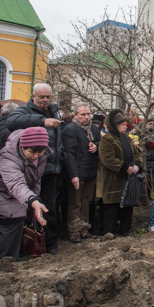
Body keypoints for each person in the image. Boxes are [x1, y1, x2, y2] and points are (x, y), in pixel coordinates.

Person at [0, 128, 50, 262]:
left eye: (40, 152)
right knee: (13, 216)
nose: (36, 156)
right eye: (32, 152)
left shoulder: (43, 155)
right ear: (22, 147)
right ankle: (5, 259)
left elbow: (35, 178)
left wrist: (34, 201)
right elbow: (16, 184)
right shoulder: (9, 157)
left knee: (4, 219)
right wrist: (32, 200)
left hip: (11, 189)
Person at [6, 83, 63, 254]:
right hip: (31, 169)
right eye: (41, 97)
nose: (45, 100)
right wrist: (42, 121)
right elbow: (11, 121)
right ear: (33, 96)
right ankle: (26, 245)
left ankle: (50, 243)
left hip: (51, 168)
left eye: (48, 97)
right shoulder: (25, 111)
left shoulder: (53, 110)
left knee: (50, 208)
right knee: (28, 206)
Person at [97, 110, 142, 237]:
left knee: (127, 206)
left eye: (125, 124)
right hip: (113, 179)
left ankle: (125, 231)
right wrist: (125, 168)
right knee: (112, 207)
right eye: (122, 124)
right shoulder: (107, 139)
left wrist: (137, 166)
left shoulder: (127, 138)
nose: (125, 126)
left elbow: (137, 153)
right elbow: (107, 159)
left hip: (129, 178)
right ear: (114, 126)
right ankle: (109, 232)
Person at [62, 103, 101, 242]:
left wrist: (96, 146)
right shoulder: (70, 129)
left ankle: (84, 229)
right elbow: (69, 154)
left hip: (90, 171)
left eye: (88, 114)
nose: (86, 117)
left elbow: (99, 141)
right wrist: (74, 175)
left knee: (86, 202)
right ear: (76, 116)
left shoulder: (93, 129)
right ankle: (74, 231)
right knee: (75, 203)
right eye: (83, 115)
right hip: (77, 172)